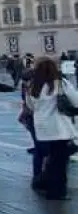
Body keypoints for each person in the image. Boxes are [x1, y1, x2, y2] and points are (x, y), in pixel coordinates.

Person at [25, 58, 78, 200]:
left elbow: (30, 106)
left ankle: (42, 182)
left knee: (50, 158)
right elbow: (76, 100)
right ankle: (56, 191)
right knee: (59, 162)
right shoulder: (60, 84)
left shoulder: (32, 86)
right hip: (59, 128)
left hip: (42, 128)